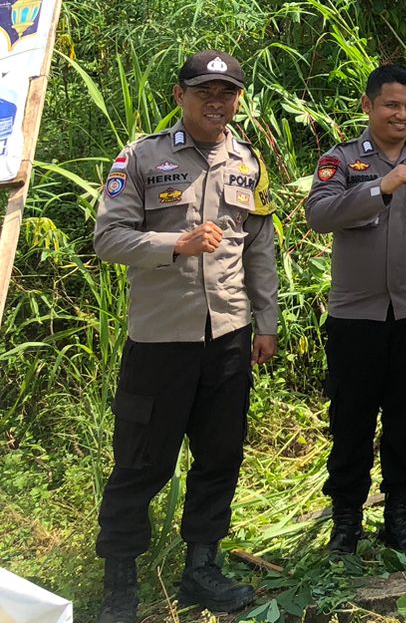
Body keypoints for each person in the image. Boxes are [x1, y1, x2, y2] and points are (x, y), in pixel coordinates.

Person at [92, 50, 279, 623]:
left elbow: (260, 249)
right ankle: (120, 578)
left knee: (219, 455)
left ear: (238, 99)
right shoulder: (142, 158)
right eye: (204, 92)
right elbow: (108, 239)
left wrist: (265, 321)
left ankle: (202, 568)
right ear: (180, 96)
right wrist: (174, 244)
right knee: (142, 462)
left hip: (227, 336)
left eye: (226, 93)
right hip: (159, 340)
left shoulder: (248, 162)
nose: (215, 103)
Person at [306, 63, 406, 554]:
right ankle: (346, 520)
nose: (402, 114)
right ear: (369, 105)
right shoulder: (342, 160)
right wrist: (380, 187)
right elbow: (319, 215)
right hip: (357, 317)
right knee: (351, 420)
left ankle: (399, 517)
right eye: (392, 104)